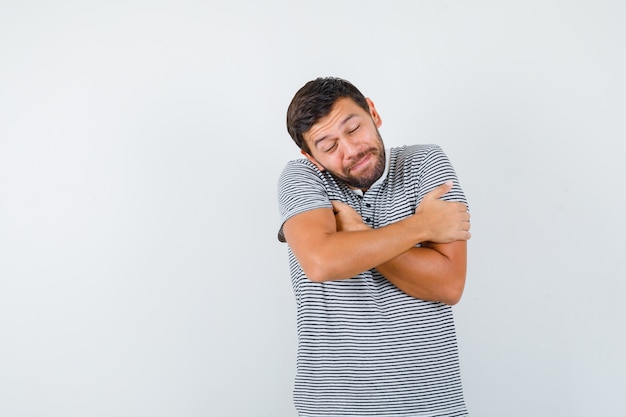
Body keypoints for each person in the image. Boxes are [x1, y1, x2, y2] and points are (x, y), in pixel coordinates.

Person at [277, 76, 472, 417]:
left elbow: (449, 283)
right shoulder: (302, 178)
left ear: (373, 112)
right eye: (329, 145)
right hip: (334, 408)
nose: (351, 150)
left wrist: (354, 236)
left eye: (353, 129)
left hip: (431, 404)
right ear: (311, 157)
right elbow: (321, 262)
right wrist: (422, 226)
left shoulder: (424, 162)